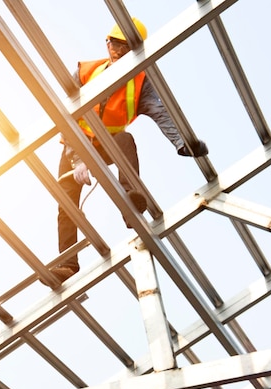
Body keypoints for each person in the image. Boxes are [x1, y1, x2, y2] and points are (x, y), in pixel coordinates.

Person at [51, 17, 209, 283]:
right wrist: (78, 157)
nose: (118, 50)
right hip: (74, 146)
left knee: (126, 140)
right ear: (107, 43)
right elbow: (64, 115)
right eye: (115, 43)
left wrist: (182, 143)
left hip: (107, 146)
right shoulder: (86, 72)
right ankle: (67, 265)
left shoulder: (140, 83)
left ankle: (129, 204)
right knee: (66, 204)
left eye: (125, 45)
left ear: (135, 48)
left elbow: (161, 112)